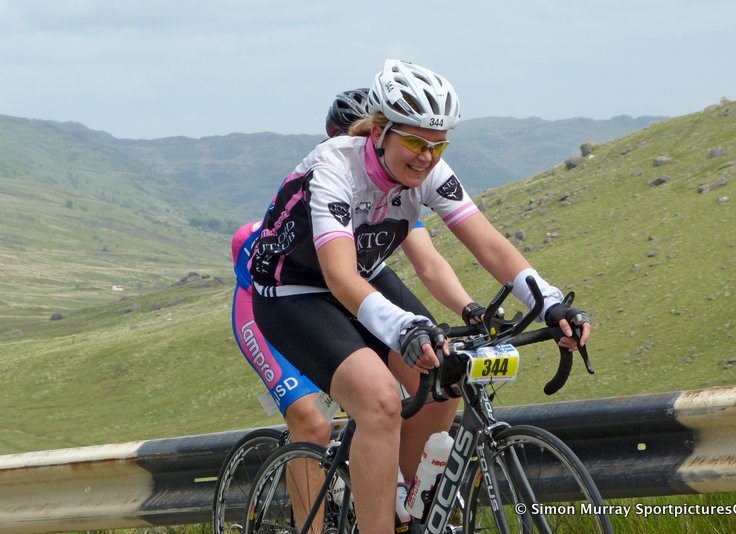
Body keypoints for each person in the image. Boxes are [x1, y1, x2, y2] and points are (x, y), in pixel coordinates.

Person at [249, 59, 591, 532]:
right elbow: (339, 276)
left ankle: (404, 510)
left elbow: (490, 245)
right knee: (380, 400)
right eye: (414, 142)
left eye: (438, 144)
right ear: (380, 132)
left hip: (365, 276)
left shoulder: (430, 170)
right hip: (293, 291)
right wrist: (405, 328)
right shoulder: (333, 168)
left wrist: (548, 303)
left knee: (444, 379)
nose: (426, 157)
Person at [232, 86, 485, 531]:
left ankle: (396, 499)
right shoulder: (328, 182)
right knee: (313, 423)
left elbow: (428, 263)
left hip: (347, 291)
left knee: (410, 389)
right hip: (270, 300)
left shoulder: (393, 194)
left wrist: (470, 309)